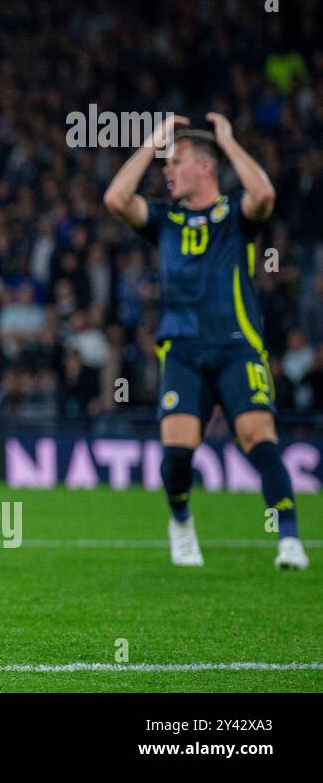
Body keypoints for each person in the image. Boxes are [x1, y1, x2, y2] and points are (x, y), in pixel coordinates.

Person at [104, 112, 307, 569]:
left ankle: (289, 538)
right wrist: (155, 143)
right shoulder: (164, 219)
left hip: (237, 346)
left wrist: (228, 142)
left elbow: (266, 194)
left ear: (204, 168)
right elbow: (116, 198)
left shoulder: (235, 215)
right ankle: (181, 523)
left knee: (259, 436)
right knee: (178, 450)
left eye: (175, 162)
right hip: (182, 349)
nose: (166, 171)